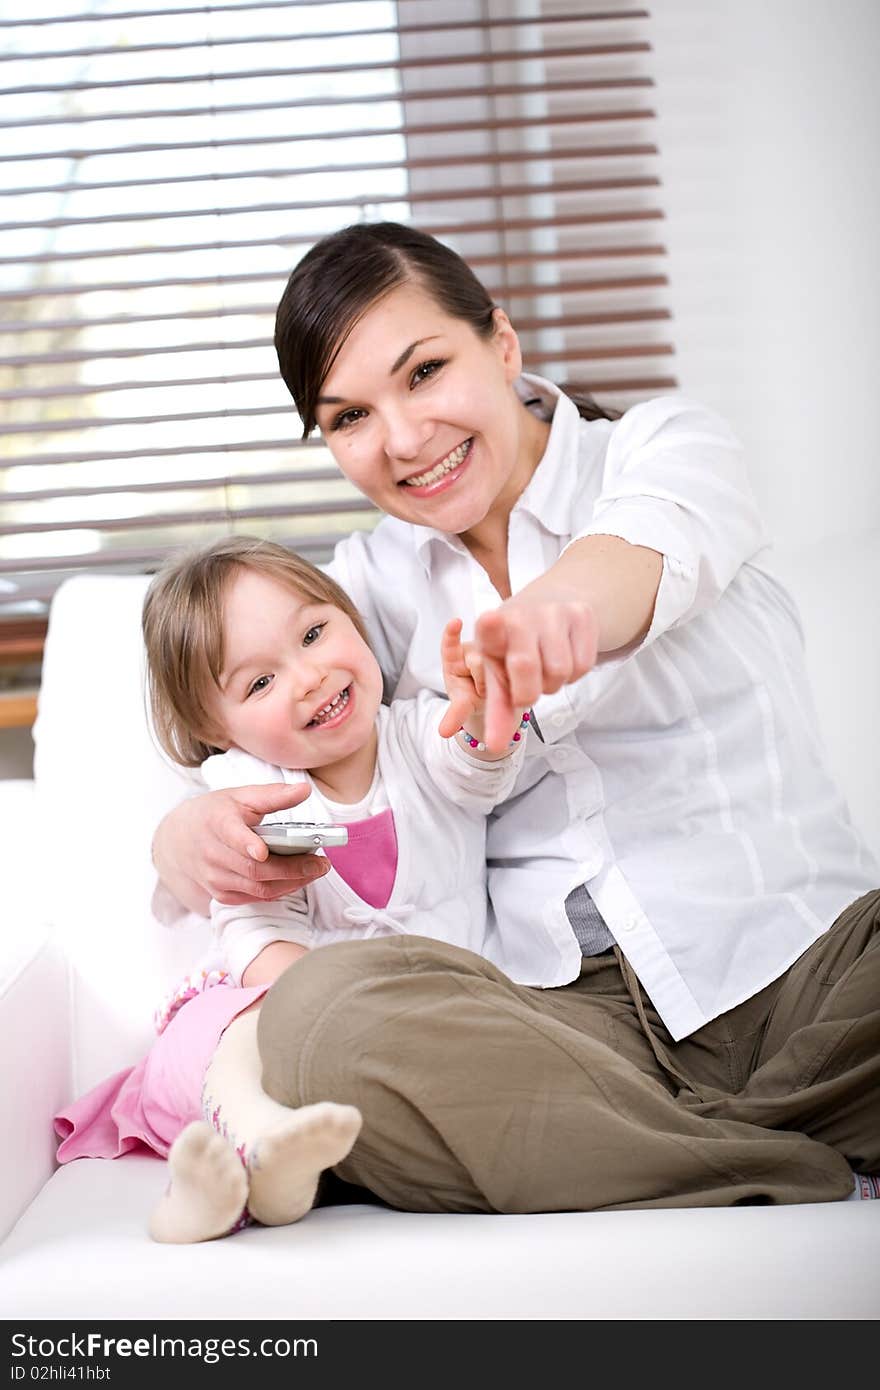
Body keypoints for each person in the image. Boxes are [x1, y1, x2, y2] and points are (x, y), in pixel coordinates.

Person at [150, 220, 880, 1213]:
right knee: (317, 1017)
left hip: (806, 962)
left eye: (423, 372)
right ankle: (771, 1162)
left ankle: (657, 1153)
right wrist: (182, 833)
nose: (404, 440)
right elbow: (243, 715)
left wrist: (545, 616)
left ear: (500, 343)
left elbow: (641, 550)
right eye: (350, 416)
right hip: (559, 1019)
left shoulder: (663, 446)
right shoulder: (360, 590)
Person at [115, 533, 525, 1242]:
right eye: (260, 682)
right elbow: (256, 933)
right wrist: (324, 1013)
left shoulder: (419, 735)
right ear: (216, 730)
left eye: (313, 633)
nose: (307, 678)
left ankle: (280, 1174)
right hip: (295, 1023)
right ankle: (237, 1169)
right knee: (224, 1037)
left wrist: (488, 720)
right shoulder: (251, 798)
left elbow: (476, 771)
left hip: (424, 1027)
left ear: (350, 617)